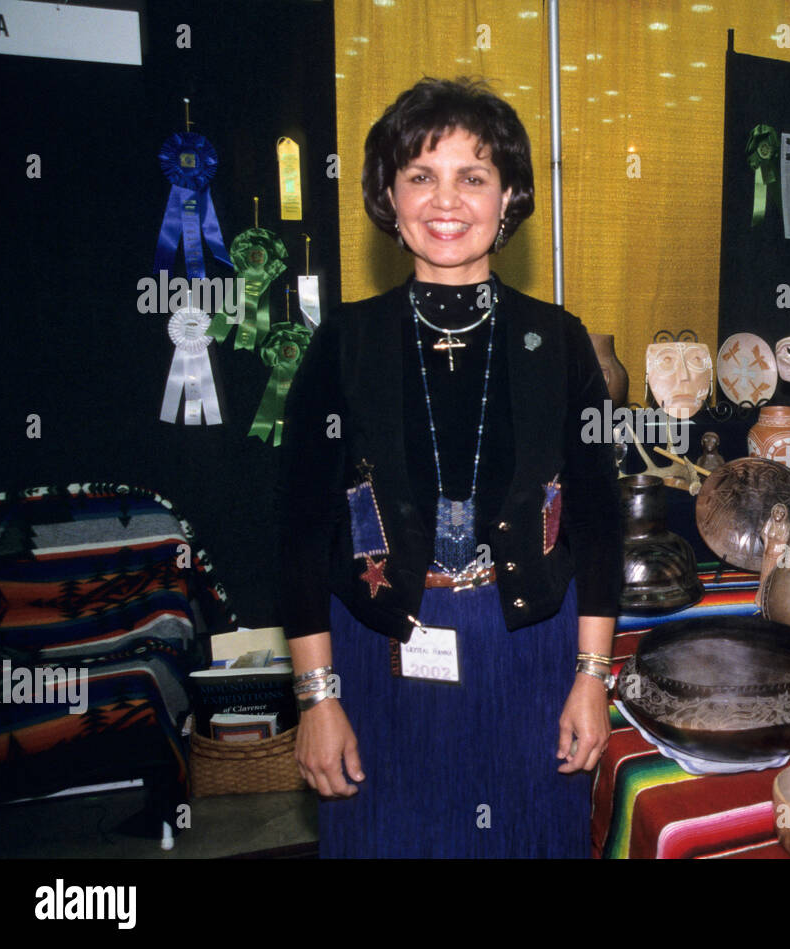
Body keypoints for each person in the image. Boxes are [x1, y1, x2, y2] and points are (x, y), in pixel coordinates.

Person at [276, 77, 623, 857]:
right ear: (389, 197)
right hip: (377, 657)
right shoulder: (344, 343)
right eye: (420, 175)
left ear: (509, 197)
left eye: (473, 176)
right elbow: (300, 534)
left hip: (529, 656)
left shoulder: (559, 341)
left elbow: (599, 525)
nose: (446, 201)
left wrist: (592, 677)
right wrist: (316, 698)